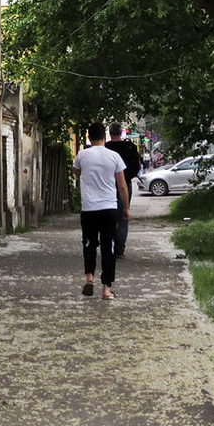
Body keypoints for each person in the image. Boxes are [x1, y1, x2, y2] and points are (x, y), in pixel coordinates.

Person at [73, 122, 130, 300]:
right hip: (109, 208)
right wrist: (126, 208)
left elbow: (77, 173)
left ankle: (90, 277)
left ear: (89, 137)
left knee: (89, 244)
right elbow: (122, 185)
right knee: (108, 248)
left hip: (89, 208)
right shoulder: (114, 157)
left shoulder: (82, 155)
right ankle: (106, 289)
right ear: (104, 137)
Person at [105, 123, 142, 258]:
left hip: (107, 185)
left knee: (108, 216)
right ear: (121, 133)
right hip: (125, 184)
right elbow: (137, 165)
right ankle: (119, 249)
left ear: (110, 132)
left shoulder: (106, 148)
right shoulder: (129, 147)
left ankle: (109, 246)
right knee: (123, 217)